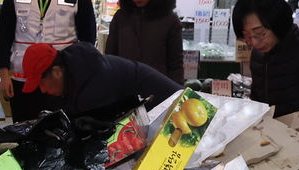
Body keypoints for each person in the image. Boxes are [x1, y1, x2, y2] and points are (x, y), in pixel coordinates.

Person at [21, 41, 181, 117]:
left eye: (42, 83)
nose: (42, 90)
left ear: (56, 72)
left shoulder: (92, 85)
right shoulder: (77, 71)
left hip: (174, 108)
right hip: (153, 113)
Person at [105, 0, 184, 83]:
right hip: (125, 92)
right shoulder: (121, 17)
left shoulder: (170, 20)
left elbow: (175, 63)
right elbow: (110, 57)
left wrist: (177, 94)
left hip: (158, 90)